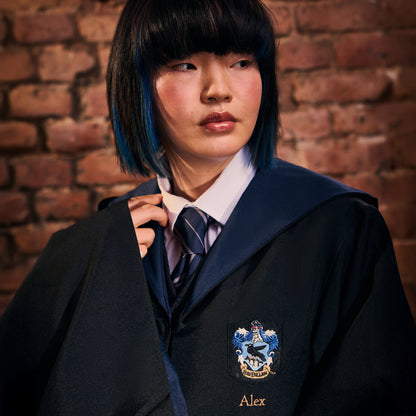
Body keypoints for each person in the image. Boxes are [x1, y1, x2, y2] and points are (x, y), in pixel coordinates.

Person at [1, 0, 415, 415]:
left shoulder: (341, 229)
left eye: (241, 62)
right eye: (185, 65)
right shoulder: (101, 246)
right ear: (137, 82)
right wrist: (96, 272)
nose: (218, 89)